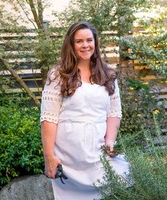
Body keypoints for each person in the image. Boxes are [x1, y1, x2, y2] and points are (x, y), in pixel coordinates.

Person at [40, 21, 130, 200]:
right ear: (71, 45)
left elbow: (113, 112)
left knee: (119, 180)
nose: (85, 45)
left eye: (89, 40)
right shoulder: (58, 75)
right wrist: (49, 156)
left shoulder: (108, 75)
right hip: (68, 156)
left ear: (95, 42)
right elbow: (49, 118)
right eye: (79, 41)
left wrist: (110, 141)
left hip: (98, 150)